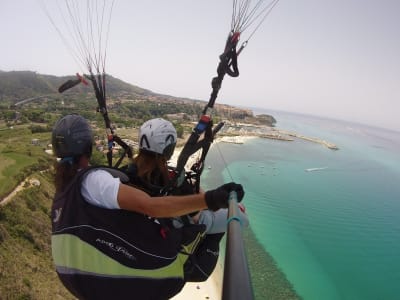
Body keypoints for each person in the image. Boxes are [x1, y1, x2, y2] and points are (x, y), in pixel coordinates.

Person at [50, 114, 245, 300]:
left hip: (75, 275)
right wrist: (212, 199)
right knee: (241, 219)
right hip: (160, 247)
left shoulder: (70, 184)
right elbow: (152, 206)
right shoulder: (94, 181)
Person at [126, 118, 249, 281]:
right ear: (169, 149)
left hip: (144, 225)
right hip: (179, 222)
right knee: (242, 217)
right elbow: (196, 215)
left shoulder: (129, 171)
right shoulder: (171, 179)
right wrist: (221, 204)